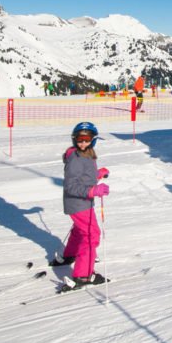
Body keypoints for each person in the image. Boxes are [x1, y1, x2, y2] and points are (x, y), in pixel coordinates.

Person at [57, 121, 108, 288]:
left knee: (81, 231)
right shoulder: (77, 158)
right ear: (74, 140)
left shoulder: (86, 154)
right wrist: (92, 191)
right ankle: (84, 275)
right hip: (79, 203)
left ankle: (70, 254)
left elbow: (82, 178)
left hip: (80, 202)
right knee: (91, 234)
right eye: (80, 140)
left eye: (87, 140)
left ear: (93, 140)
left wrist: (98, 175)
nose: (83, 143)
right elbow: (71, 186)